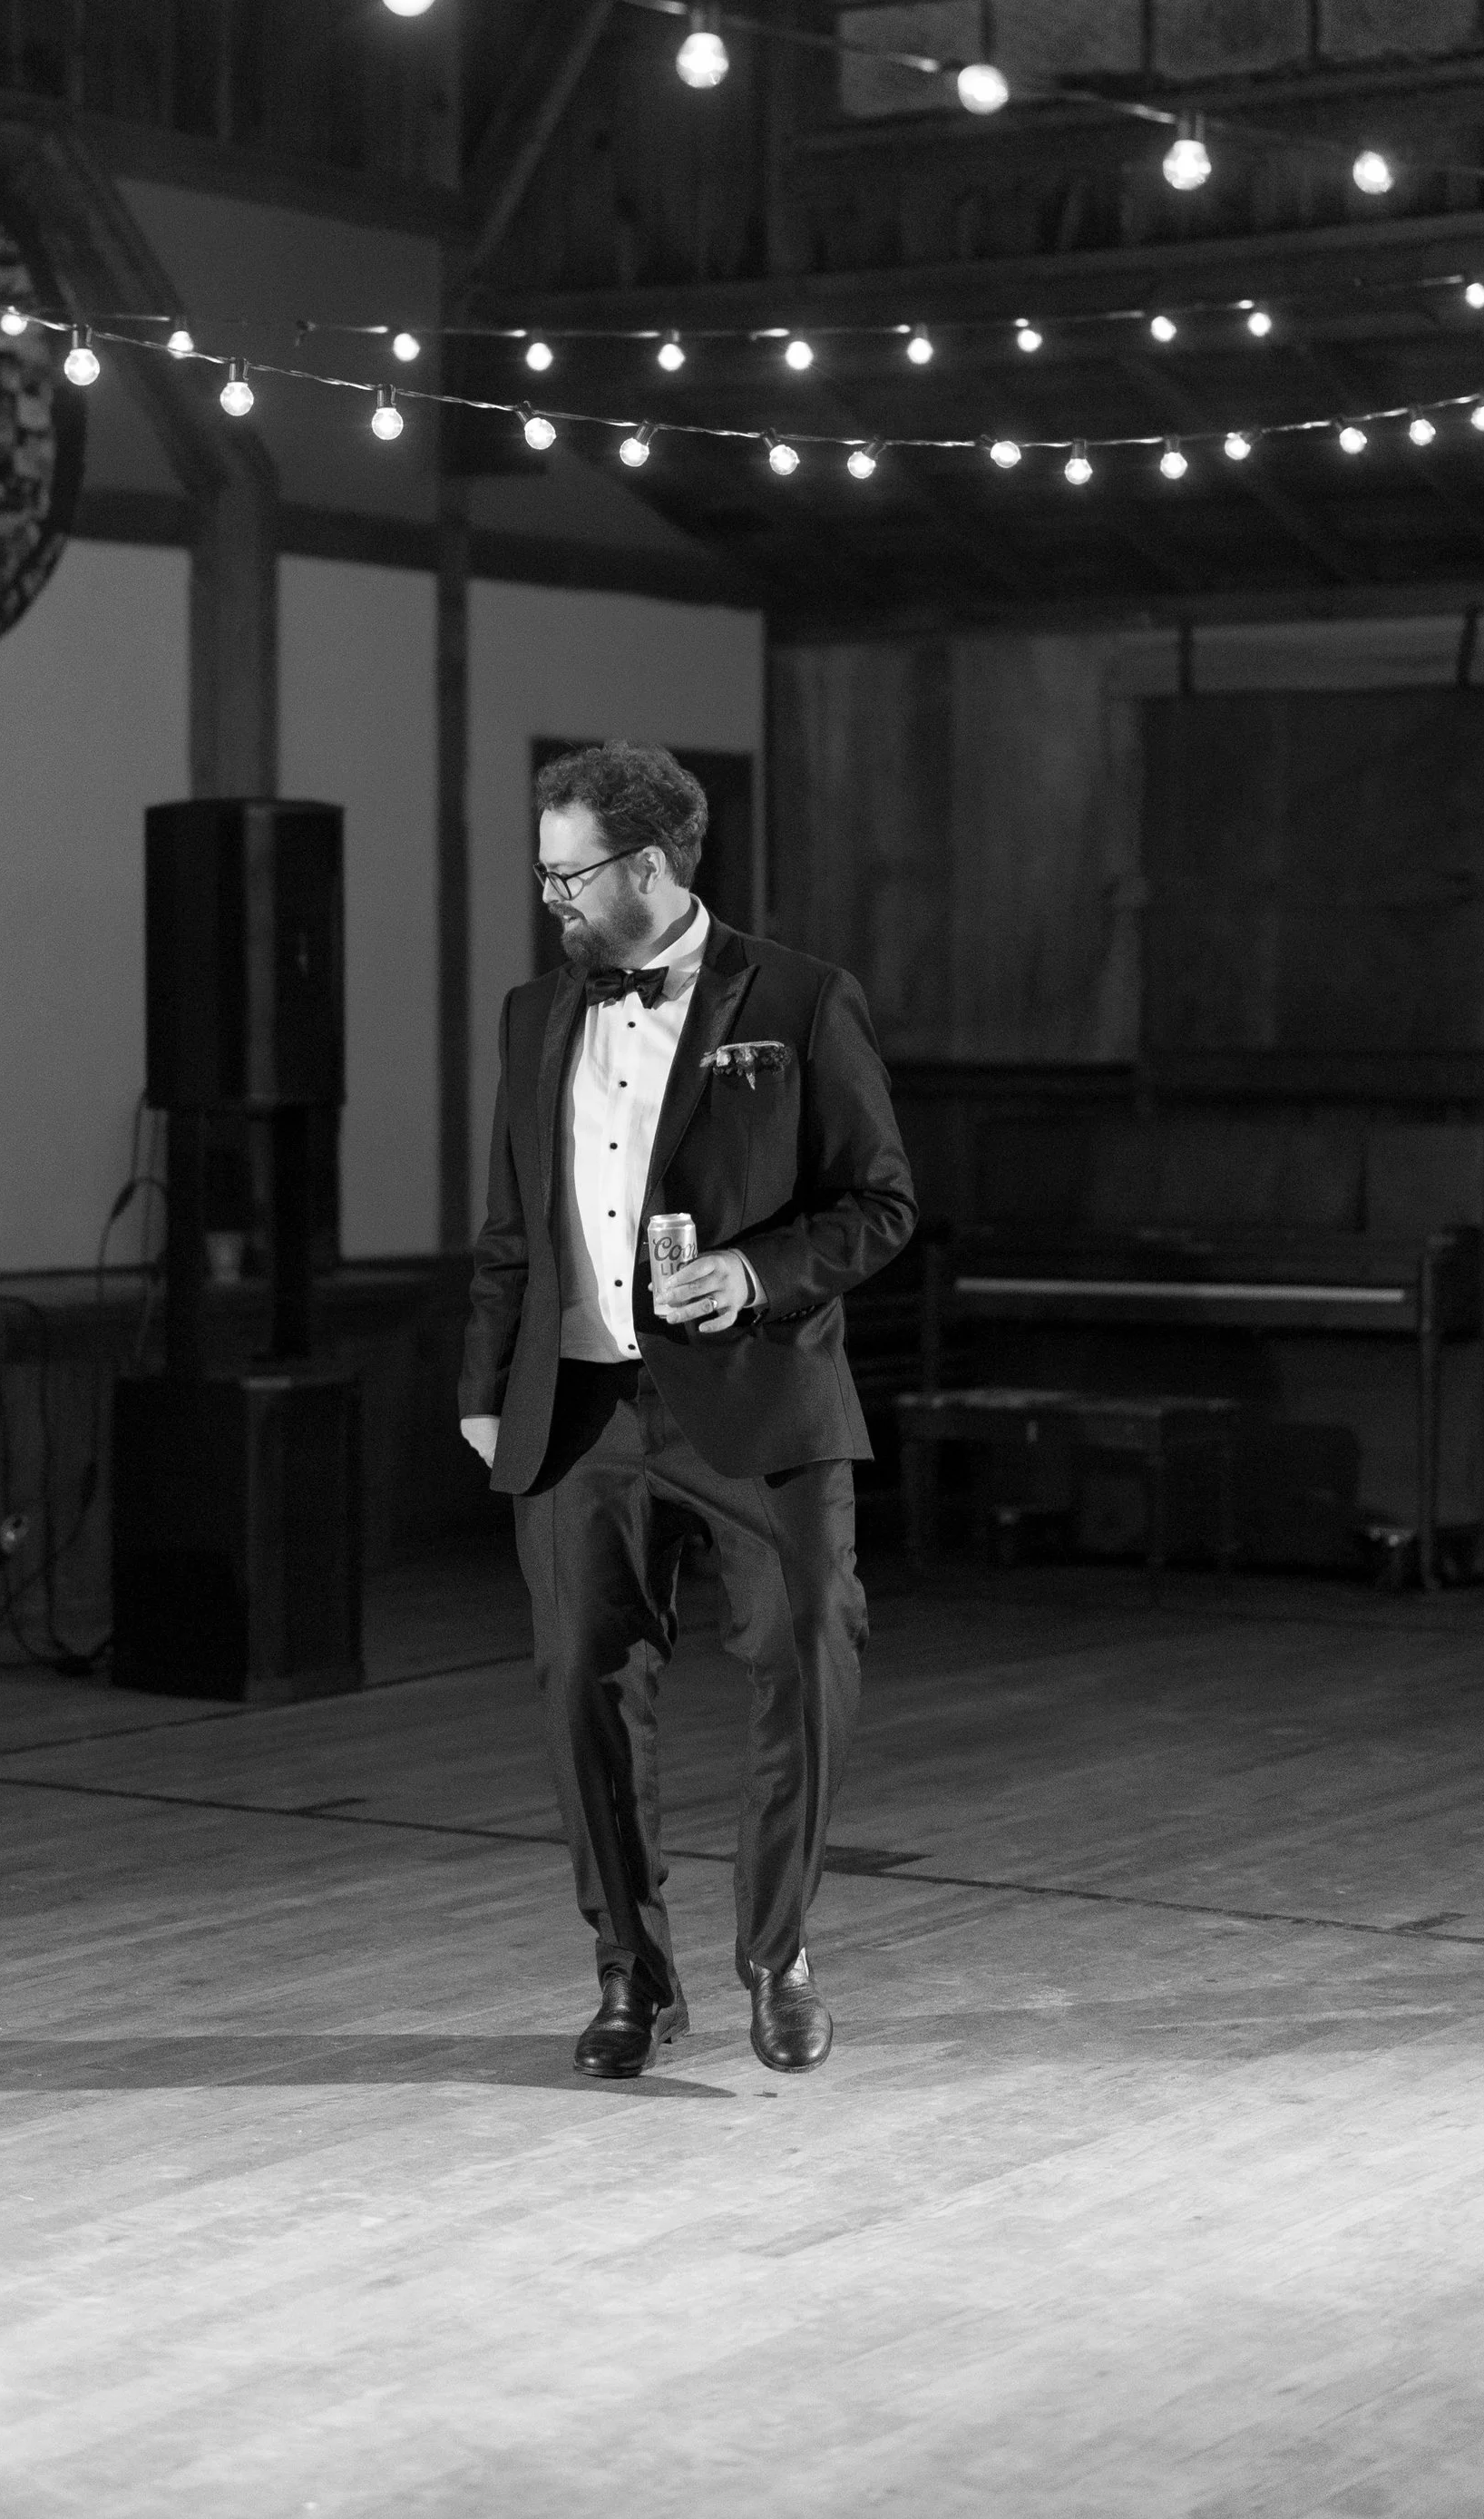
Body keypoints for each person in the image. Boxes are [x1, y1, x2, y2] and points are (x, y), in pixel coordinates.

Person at [459, 740, 916, 2080]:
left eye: (567, 875)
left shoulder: (802, 999)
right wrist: (485, 1388)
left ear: (645, 868)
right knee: (581, 1692)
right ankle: (631, 1977)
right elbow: (507, 1227)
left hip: (759, 1401)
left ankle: (778, 1955)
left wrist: (758, 1271)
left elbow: (880, 1204)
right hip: (580, 1410)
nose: (549, 899)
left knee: (808, 1655)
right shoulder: (531, 1016)